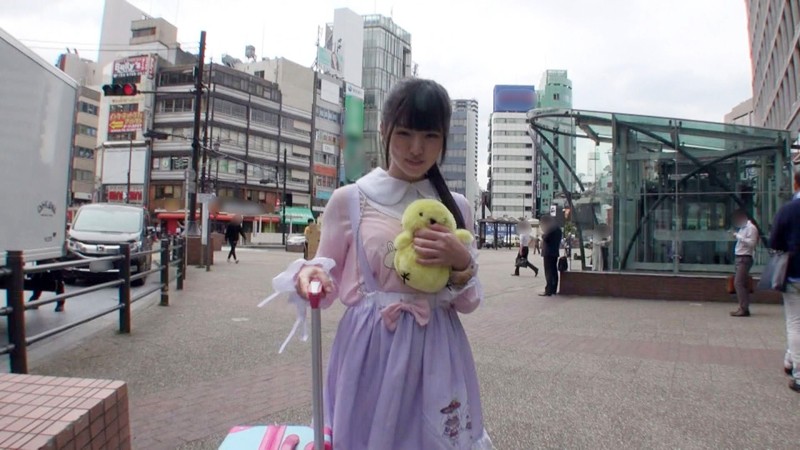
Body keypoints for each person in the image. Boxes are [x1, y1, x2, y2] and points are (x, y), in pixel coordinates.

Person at [266, 79, 493, 449]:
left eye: (430, 136)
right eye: (404, 133)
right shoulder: (350, 200)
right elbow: (325, 283)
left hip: (438, 348)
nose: (416, 148)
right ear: (384, 129)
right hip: (371, 348)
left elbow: (468, 303)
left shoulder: (456, 207)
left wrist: (461, 261)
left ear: (443, 139)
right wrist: (312, 275)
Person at [769, 169, 800, 392]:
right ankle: (789, 359)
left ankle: (798, 372)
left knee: (795, 322)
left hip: (795, 272)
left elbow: (774, 242)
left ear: (796, 184)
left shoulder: (788, 210)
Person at [730, 209, 758, 317]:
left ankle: (743, 308)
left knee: (738, 283)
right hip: (740, 257)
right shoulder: (743, 228)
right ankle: (743, 307)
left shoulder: (751, 228)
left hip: (744, 257)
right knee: (742, 283)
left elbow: (752, 243)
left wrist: (738, 236)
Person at [540, 215, 563, 296]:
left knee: (548, 271)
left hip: (548, 253)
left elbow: (546, 238)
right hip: (554, 252)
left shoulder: (550, 229)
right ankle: (553, 289)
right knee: (554, 271)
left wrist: (542, 235)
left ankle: (548, 290)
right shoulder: (558, 229)